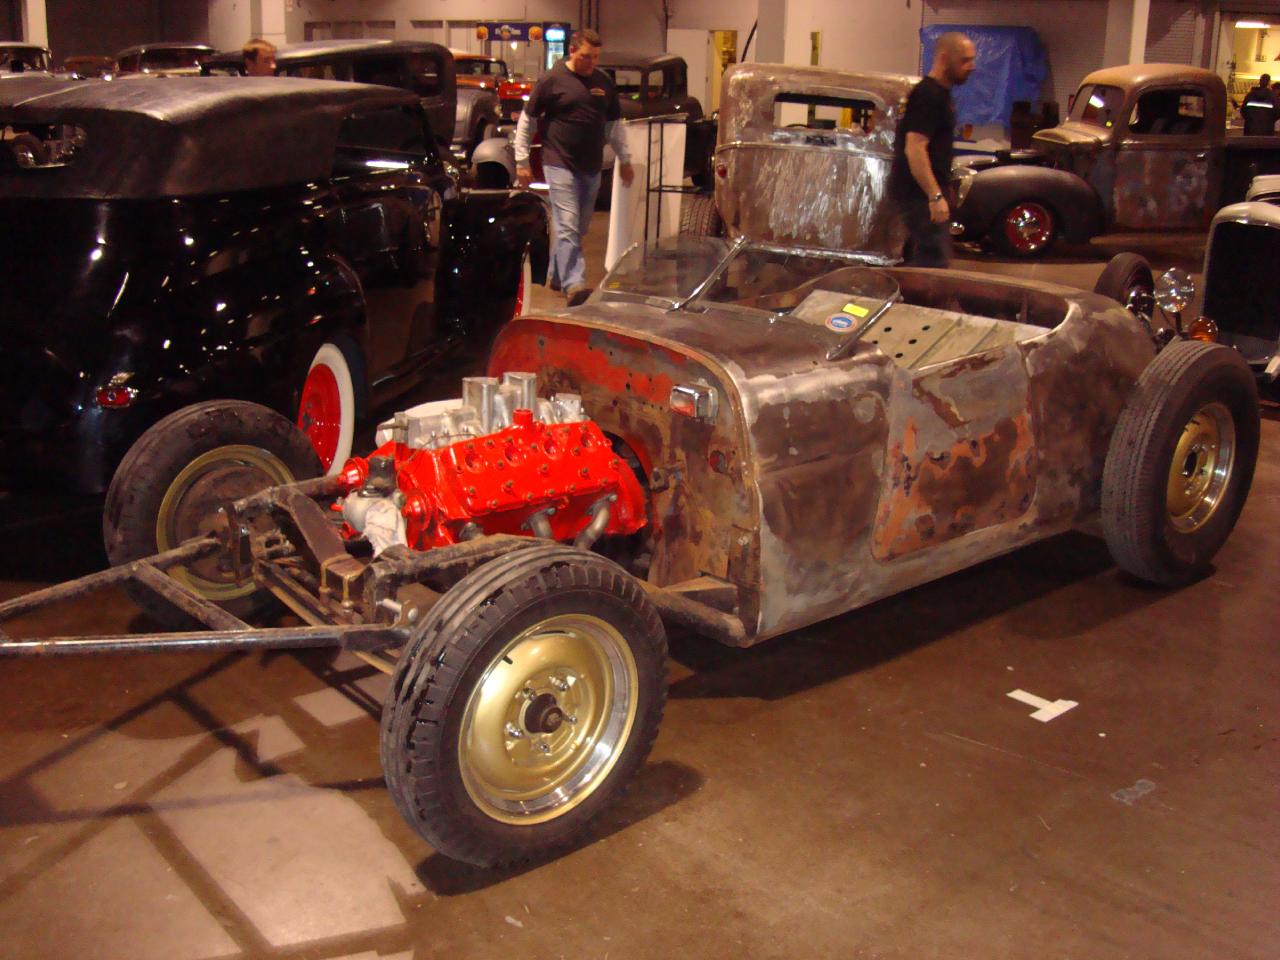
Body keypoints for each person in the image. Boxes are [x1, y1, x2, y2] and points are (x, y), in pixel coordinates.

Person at [513, 29, 634, 306]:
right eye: (586, 56)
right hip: (558, 162)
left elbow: (614, 126)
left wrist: (625, 159)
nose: (591, 62)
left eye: (595, 57)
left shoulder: (603, 82)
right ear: (571, 51)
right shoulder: (552, 79)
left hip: (590, 166)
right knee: (567, 225)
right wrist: (521, 161)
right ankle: (574, 284)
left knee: (578, 228)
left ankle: (557, 274)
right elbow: (527, 120)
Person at [889, 32, 976, 267]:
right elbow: (915, 148)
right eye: (965, 60)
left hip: (923, 194)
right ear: (944, 58)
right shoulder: (928, 95)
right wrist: (934, 196)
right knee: (933, 263)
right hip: (918, 196)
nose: (972, 66)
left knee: (924, 259)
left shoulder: (940, 94)